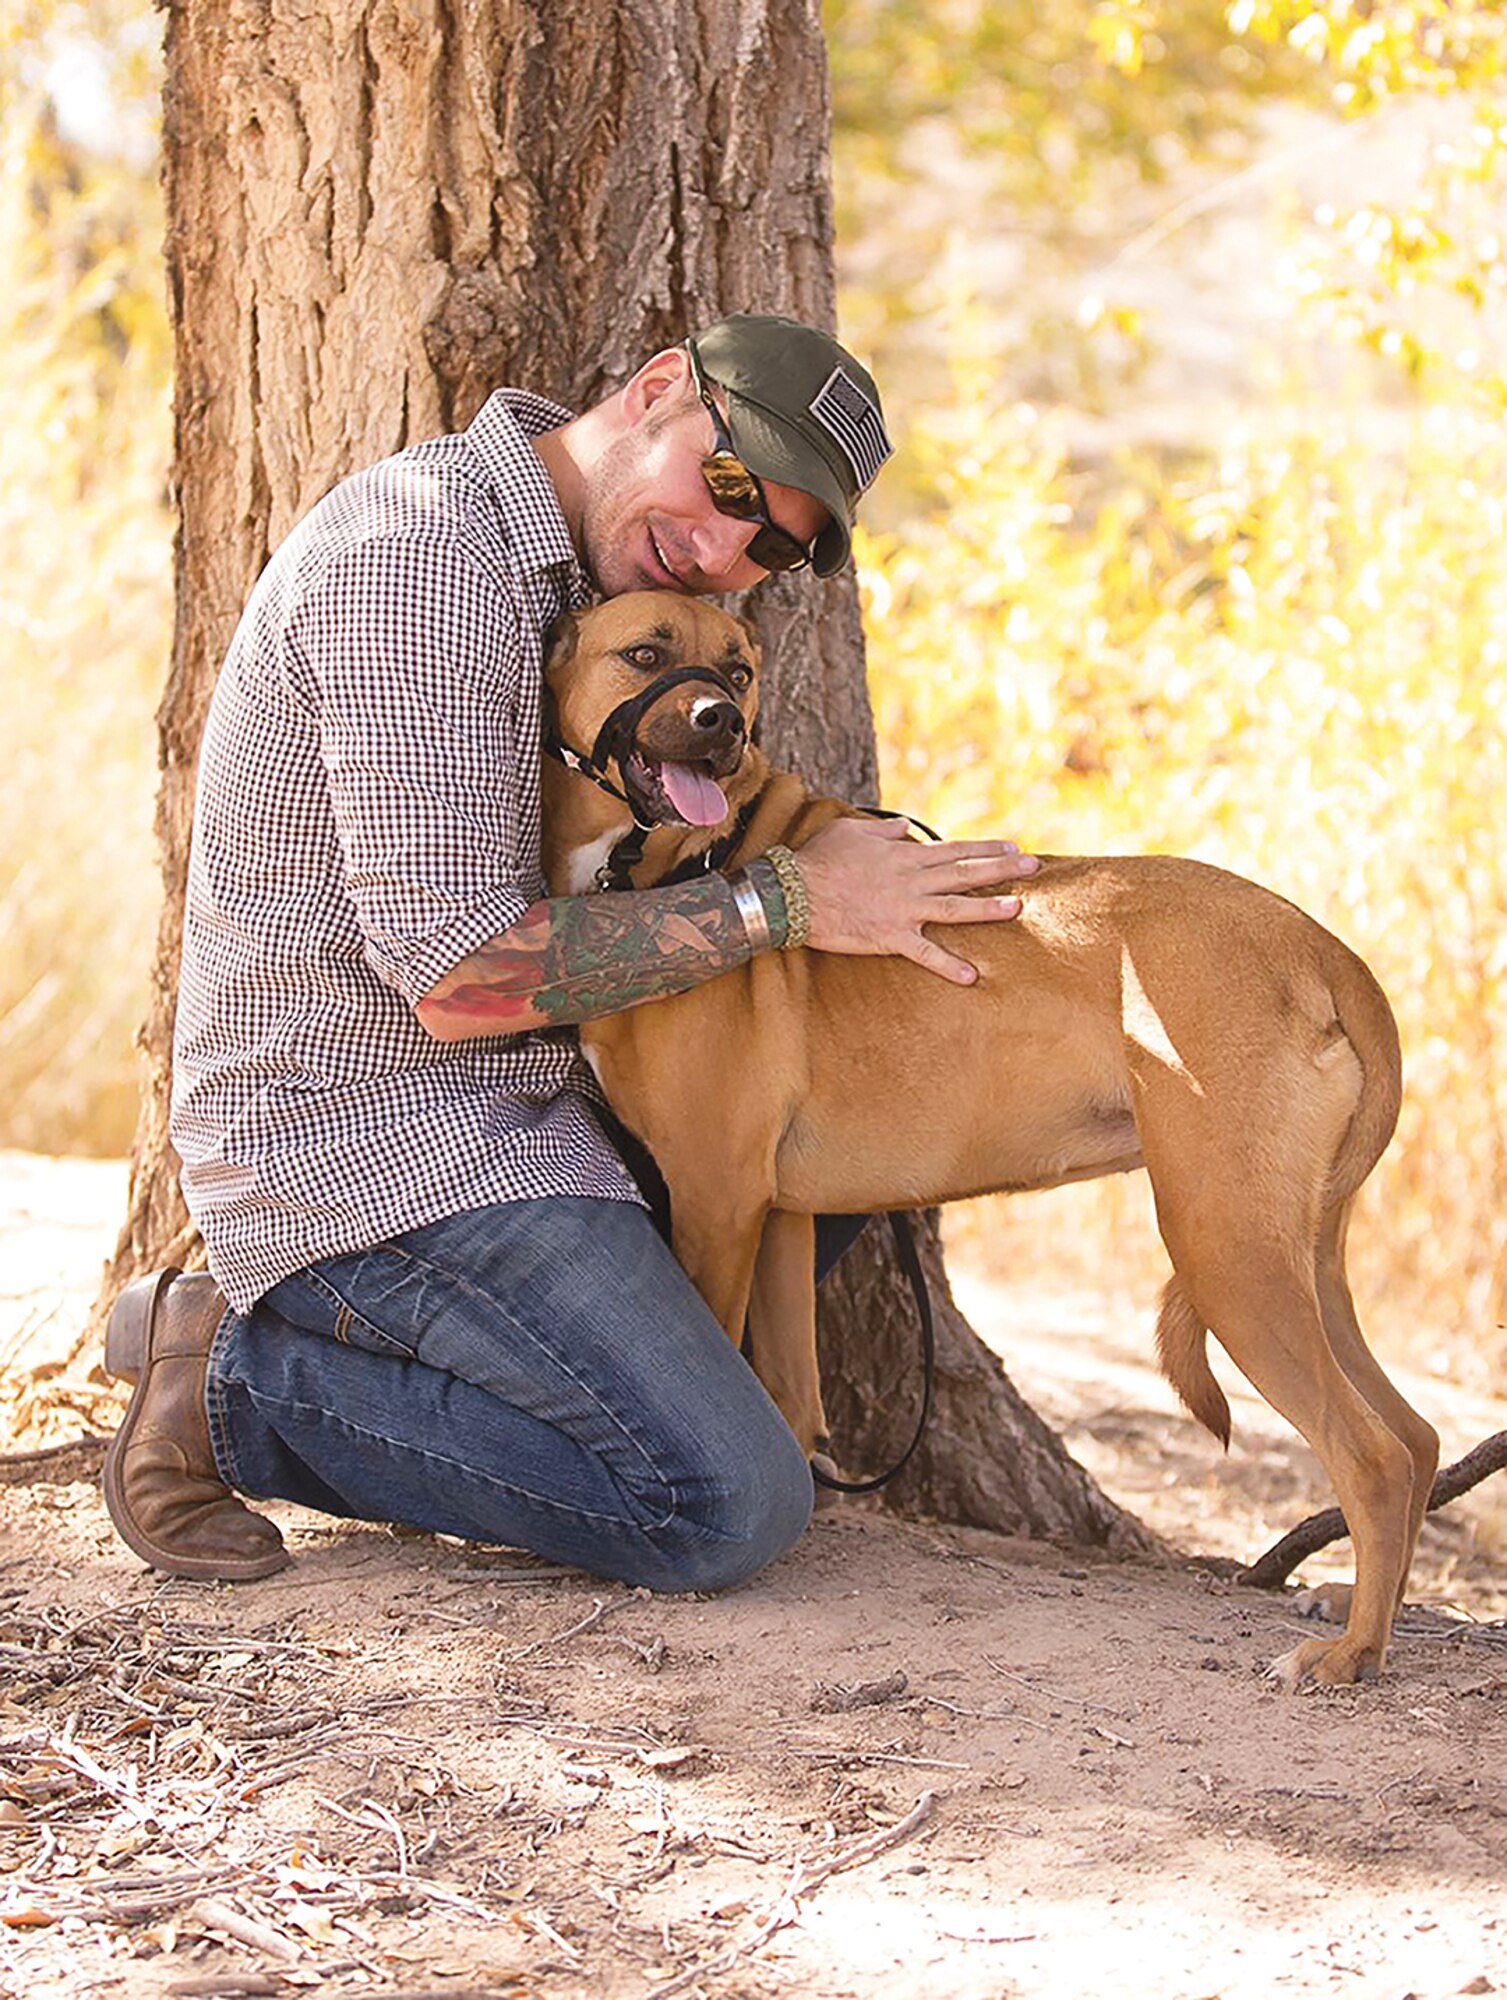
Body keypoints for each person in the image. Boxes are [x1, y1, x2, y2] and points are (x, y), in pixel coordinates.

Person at [102, 313, 1038, 1592]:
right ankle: (233, 1376)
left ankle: (608, 1382)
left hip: (546, 1115)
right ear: (658, 388)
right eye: (722, 490)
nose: (720, 550)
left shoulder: (585, 586)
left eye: (768, 545)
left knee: (823, 1158)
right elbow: (460, 979)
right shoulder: (419, 559)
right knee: (721, 1504)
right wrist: (784, 903)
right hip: (373, 1146)